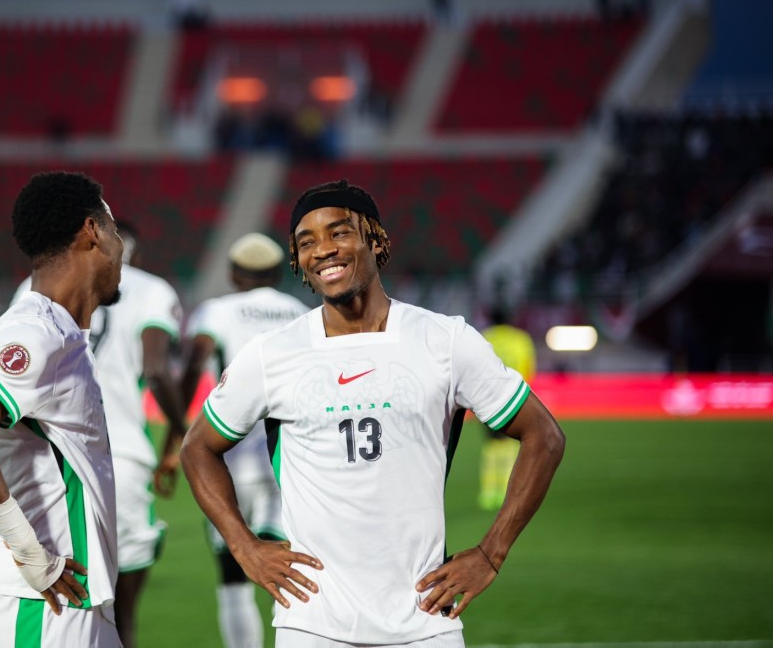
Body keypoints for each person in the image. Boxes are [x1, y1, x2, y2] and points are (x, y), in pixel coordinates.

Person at [181, 179, 566, 647]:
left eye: (339, 232)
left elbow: (544, 436)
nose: (324, 250)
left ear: (376, 240)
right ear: (297, 260)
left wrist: (491, 553)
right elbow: (197, 448)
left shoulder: (445, 340)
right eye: (307, 242)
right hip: (311, 625)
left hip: (426, 620)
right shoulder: (273, 353)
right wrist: (245, 548)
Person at [0, 171, 125, 647]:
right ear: (92, 231)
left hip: (72, 598)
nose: (121, 247)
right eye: (115, 230)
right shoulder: (38, 330)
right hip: (39, 604)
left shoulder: (64, 334)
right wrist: (29, 553)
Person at [11, 219, 188, 648]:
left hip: (48, 461)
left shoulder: (35, 286)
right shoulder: (152, 289)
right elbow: (156, 368)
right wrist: (181, 434)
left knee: (57, 606)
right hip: (119, 456)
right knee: (119, 617)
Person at [179, 232, 309, 648]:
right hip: (290, 459)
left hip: (228, 460)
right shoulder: (301, 312)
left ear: (234, 274)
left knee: (233, 577)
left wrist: (176, 435)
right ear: (277, 273)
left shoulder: (216, 312)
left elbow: (193, 364)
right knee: (292, 571)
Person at [478, 306, 537, 511]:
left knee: (491, 447)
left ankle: (488, 492)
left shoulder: (485, 337)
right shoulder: (521, 339)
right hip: (513, 396)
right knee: (510, 446)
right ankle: (505, 490)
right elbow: (529, 369)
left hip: (486, 398)